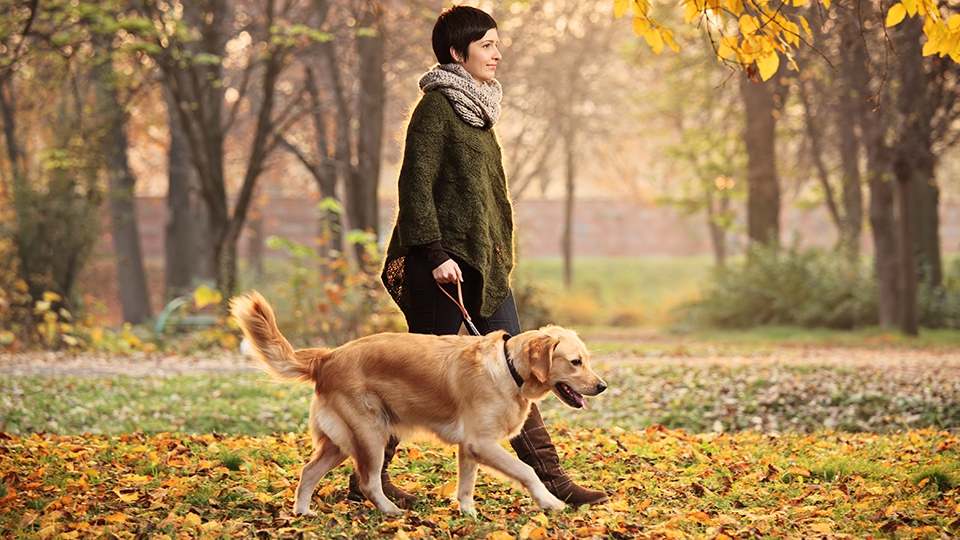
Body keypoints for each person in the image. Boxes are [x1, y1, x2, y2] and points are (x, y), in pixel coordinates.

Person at [353, 5, 608, 508]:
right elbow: (415, 187)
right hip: (442, 271)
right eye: (487, 44)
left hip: (485, 270)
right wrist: (433, 253)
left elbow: (485, 200)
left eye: (496, 43)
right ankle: (368, 483)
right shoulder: (436, 109)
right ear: (457, 52)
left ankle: (551, 479)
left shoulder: (480, 112)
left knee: (525, 371)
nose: (497, 52)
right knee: (416, 382)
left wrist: (497, 258)